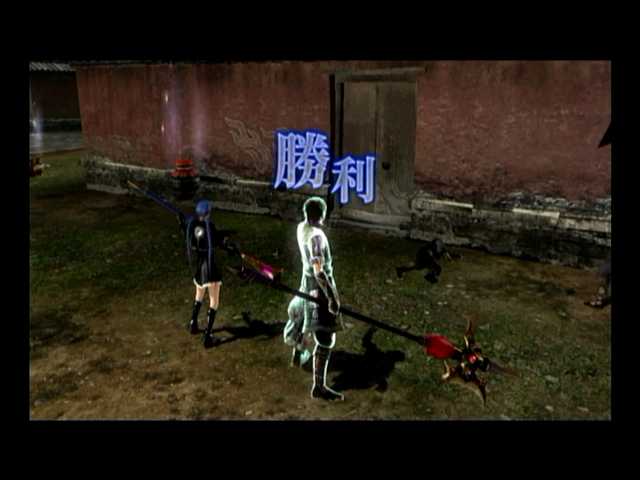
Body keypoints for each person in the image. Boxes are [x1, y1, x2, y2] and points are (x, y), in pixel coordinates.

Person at [283, 197, 344, 401]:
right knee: (326, 339)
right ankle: (319, 387)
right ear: (322, 215)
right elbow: (319, 271)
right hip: (318, 289)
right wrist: (332, 297)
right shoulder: (316, 237)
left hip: (306, 283)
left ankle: (297, 355)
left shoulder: (301, 227)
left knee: (303, 318)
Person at [180, 199, 233, 348]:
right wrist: (227, 245)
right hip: (209, 268)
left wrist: (182, 222)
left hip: (200, 265)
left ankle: (193, 323)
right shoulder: (210, 227)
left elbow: (190, 233)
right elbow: (218, 241)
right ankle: (207, 336)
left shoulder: (193, 227)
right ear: (208, 213)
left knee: (199, 295)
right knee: (214, 302)